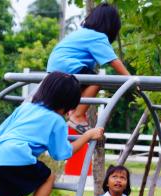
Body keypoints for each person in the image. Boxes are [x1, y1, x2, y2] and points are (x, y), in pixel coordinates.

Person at [47, 2, 130, 133]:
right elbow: (114, 61)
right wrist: (131, 79)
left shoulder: (83, 33)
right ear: (111, 25)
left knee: (85, 82)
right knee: (97, 80)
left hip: (55, 67)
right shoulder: (97, 36)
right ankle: (77, 116)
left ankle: (72, 111)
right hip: (66, 66)